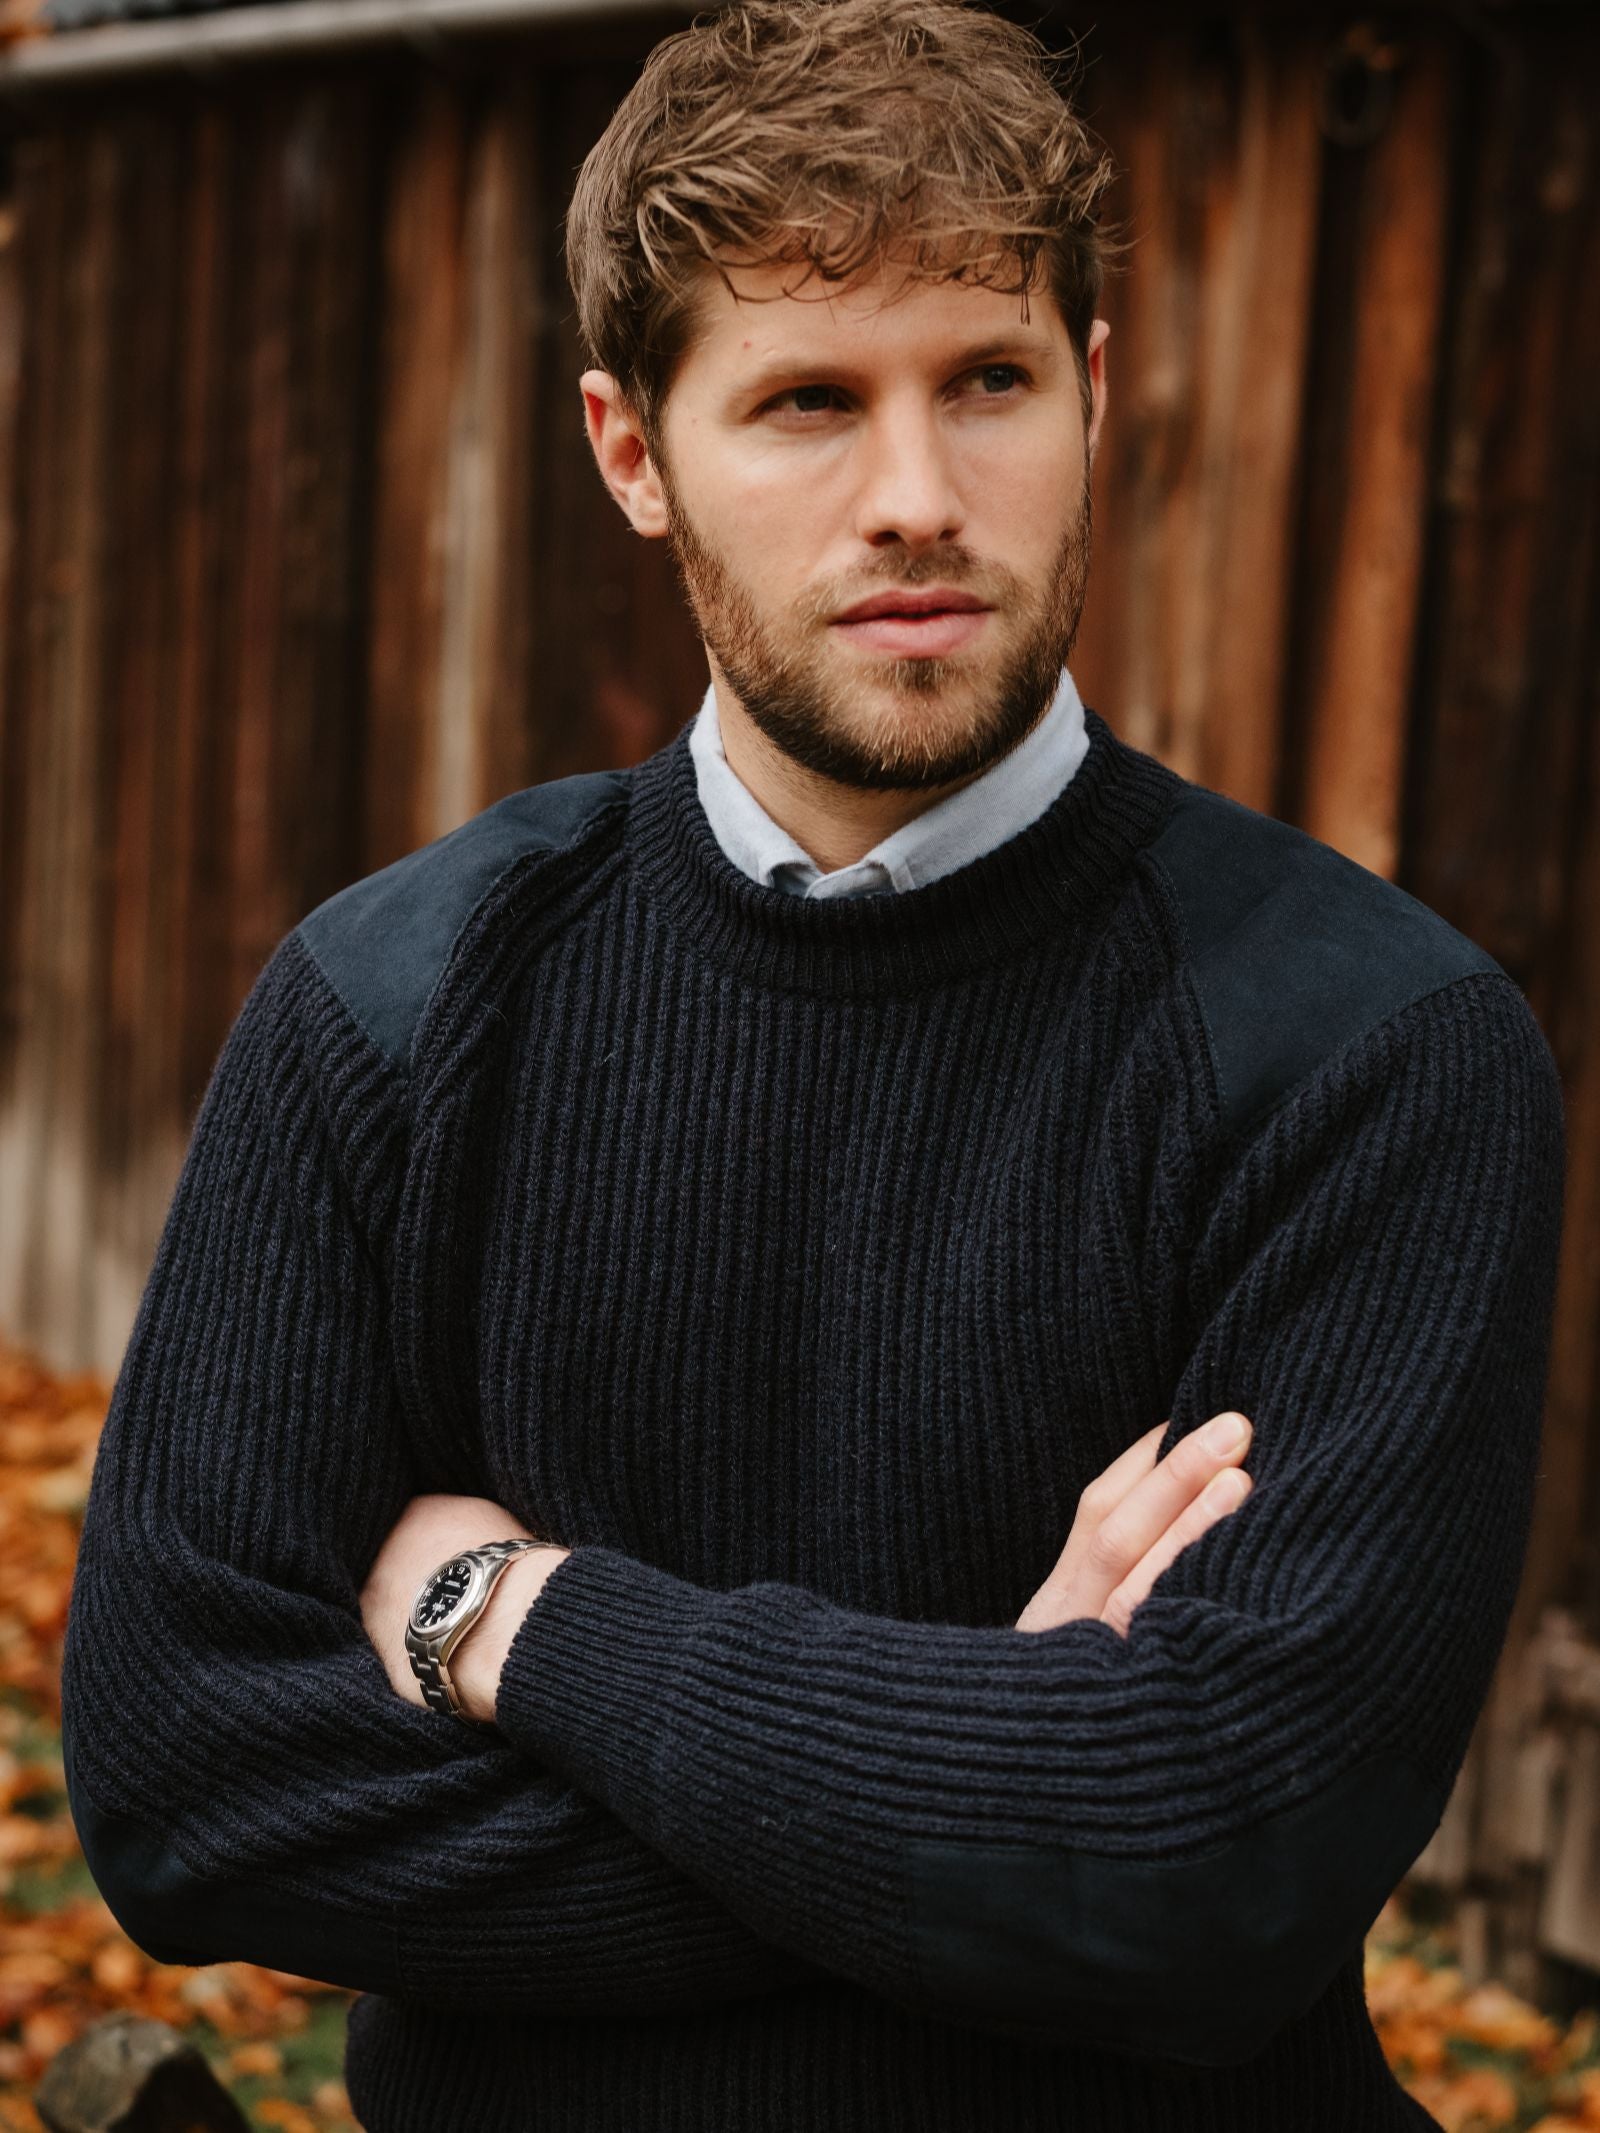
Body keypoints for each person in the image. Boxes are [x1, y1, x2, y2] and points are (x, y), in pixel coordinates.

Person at [61, 1, 1565, 2127]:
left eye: (985, 381)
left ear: (1096, 392)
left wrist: (517, 1617)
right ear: (629, 451)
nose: (915, 499)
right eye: (801, 402)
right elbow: (188, 1785)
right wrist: (987, 1783)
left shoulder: (1371, 1047)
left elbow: (1214, 1865)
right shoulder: (386, 1009)